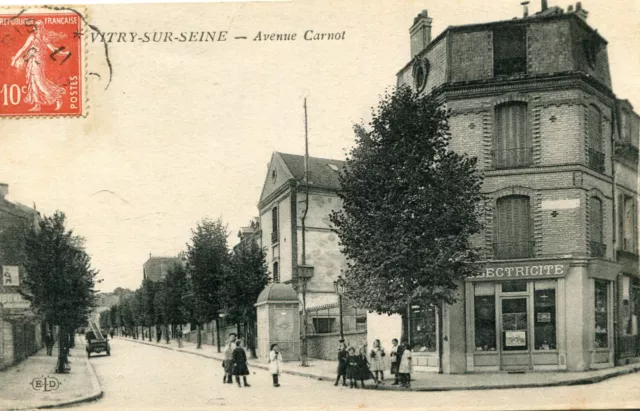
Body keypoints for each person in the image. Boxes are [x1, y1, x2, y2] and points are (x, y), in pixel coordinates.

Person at [10, 20, 69, 112]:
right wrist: (15, 59)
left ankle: (57, 97)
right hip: (31, 61)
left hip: (38, 62)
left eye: (37, 27)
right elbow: (24, 48)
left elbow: (53, 49)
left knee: (40, 83)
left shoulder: (43, 37)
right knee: (32, 81)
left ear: (40, 27)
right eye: (35, 27)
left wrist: (63, 53)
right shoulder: (32, 36)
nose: (35, 28)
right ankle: (37, 105)